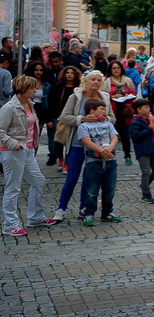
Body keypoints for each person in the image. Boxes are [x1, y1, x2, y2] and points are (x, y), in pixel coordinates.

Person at [1, 76, 59, 235]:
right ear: (22, 88)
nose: (35, 90)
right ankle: (10, 224)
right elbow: (0, 131)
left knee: (38, 180)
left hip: (27, 151)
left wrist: (32, 145)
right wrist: (14, 144)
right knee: (13, 187)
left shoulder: (29, 104)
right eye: (32, 88)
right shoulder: (9, 108)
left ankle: (35, 217)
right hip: (13, 151)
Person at [53, 69, 112, 223]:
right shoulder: (76, 96)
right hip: (77, 142)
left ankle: (84, 208)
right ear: (85, 81)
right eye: (93, 79)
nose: (95, 82)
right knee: (72, 177)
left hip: (97, 145)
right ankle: (61, 208)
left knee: (90, 178)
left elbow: (112, 118)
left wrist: (105, 119)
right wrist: (82, 119)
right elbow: (64, 117)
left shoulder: (104, 97)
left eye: (98, 80)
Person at [77, 98, 121, 226]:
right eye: (101, 109)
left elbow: (114, 137)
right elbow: (87, 142)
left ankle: (107, 212)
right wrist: (102, 150)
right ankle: (89, 213)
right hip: (93, 161)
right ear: (92, 110)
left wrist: (110, 148)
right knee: (92, 189)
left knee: (109, 188)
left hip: (110, 160)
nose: (104, 111)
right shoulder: (84, 126)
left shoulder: (108, 124)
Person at [46, 66, 80, 170]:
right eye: (67, 72)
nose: (69, 75)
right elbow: (50, 103)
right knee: (58, 140)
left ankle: (67, 162)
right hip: (58, 117)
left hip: (73, 118)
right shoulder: (57, 87)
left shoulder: (78, 89)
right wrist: (49, 118)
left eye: (72, 73)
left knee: (70, 141)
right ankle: (60, 158)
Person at [129, 99, 154, 203]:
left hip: (153, 149)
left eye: (148, 107)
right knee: (146, 172)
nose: (148, 109)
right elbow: (136, 137)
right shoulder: (135, 122)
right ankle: (146, 194)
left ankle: (144, 184)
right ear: (138, 109)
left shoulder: (151, 119)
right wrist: (149, 129)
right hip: (143, 150)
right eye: (146, 107)